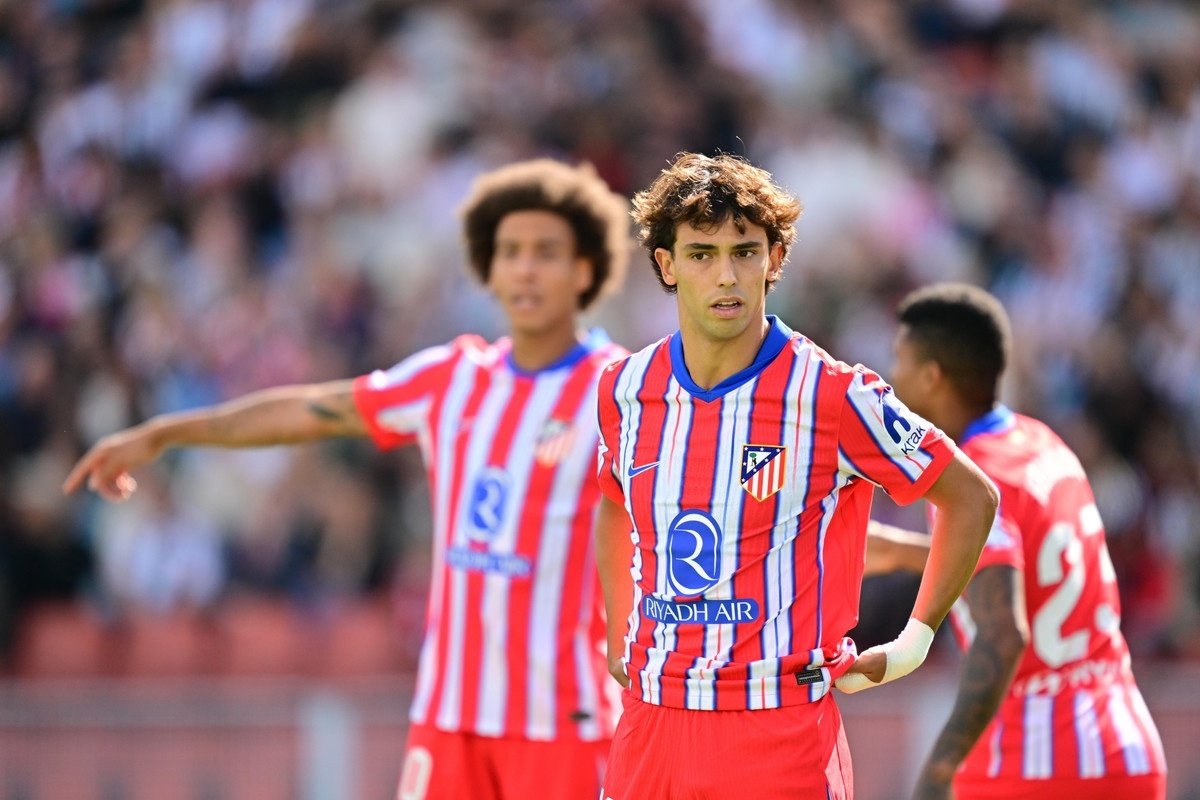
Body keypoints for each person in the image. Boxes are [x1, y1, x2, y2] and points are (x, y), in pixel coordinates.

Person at [63, 159, 632, 800]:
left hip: (562, 721)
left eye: (547, 253)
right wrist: (166, 433)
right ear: (489, 267)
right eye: (510, 252)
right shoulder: (454, 377)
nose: (525, 269)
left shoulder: (619, 392)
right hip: (449, 719)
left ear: (586, 268)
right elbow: (310, 411)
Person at [591, 153, 999, 800]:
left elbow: (971, 496)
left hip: (777, 731)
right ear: (666, 265)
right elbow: (613, 502)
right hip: (651, 727)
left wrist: (915, 640)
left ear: (774, 261)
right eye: (701, 254)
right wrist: (619, 632)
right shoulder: (625, 388)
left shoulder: (831, 393)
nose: (726, 275)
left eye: (745, 252)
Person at [865, 283, 1167, 800]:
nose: (891, 383)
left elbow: (1005, 632)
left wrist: (940, 769)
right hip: (1125, 743)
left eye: (900, 363)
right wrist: (898, 551)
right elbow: (1029, 569)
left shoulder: (968, 486)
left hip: (1037, 760)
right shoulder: (1044, 443)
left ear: (933, 378)